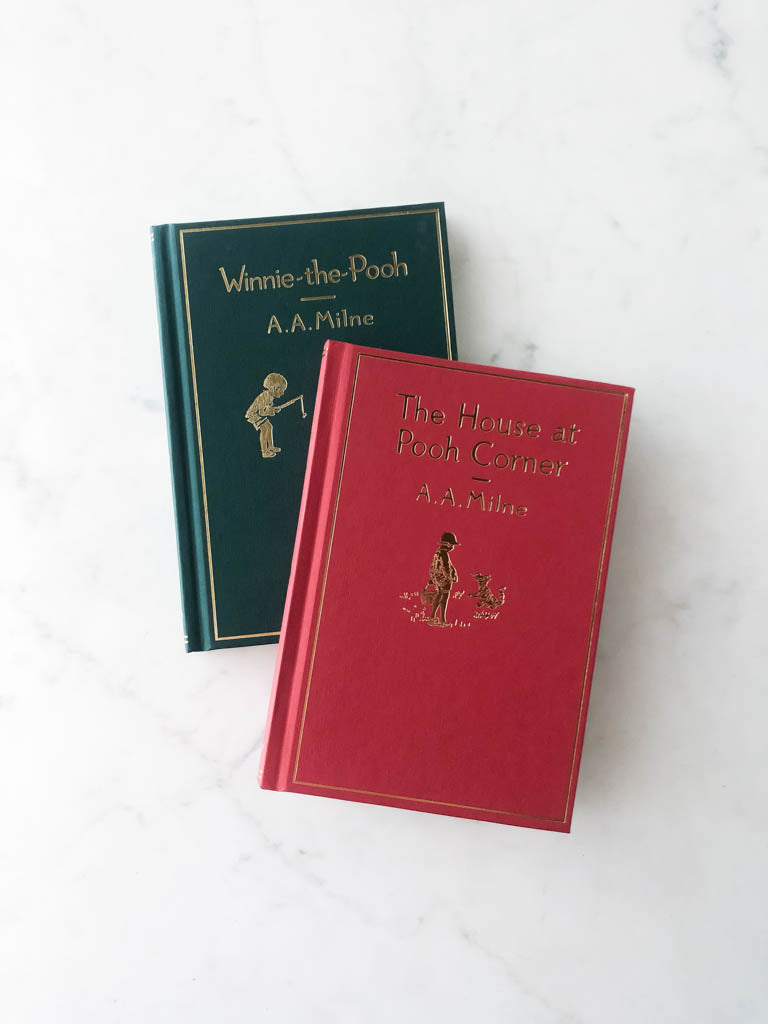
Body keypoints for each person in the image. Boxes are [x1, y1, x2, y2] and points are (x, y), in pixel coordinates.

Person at [245, 372, 287, 458]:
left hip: (258, 414)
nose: (282, 393)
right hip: (254, 415)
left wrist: (274, 409)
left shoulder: (270, 397)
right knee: (264, 429)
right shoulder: (264, 397)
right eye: (281, 390)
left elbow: (267, 408)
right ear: (274, 388)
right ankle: (264, 452)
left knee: (269, 427)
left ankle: (270, 447)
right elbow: (261, 412)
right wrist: (271, 413)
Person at [427, 532, 459, 626]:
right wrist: (451, 578)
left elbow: (432, 566)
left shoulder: (438, 552)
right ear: (448, 544)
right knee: (444, 598)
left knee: (439, 596)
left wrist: (432, 578)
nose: (453, 547)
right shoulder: (444, 554)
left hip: (437, 579)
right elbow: (446, 568)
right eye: (452, 545)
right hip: (444, 580)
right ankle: (442, 619)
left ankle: (432, 616)